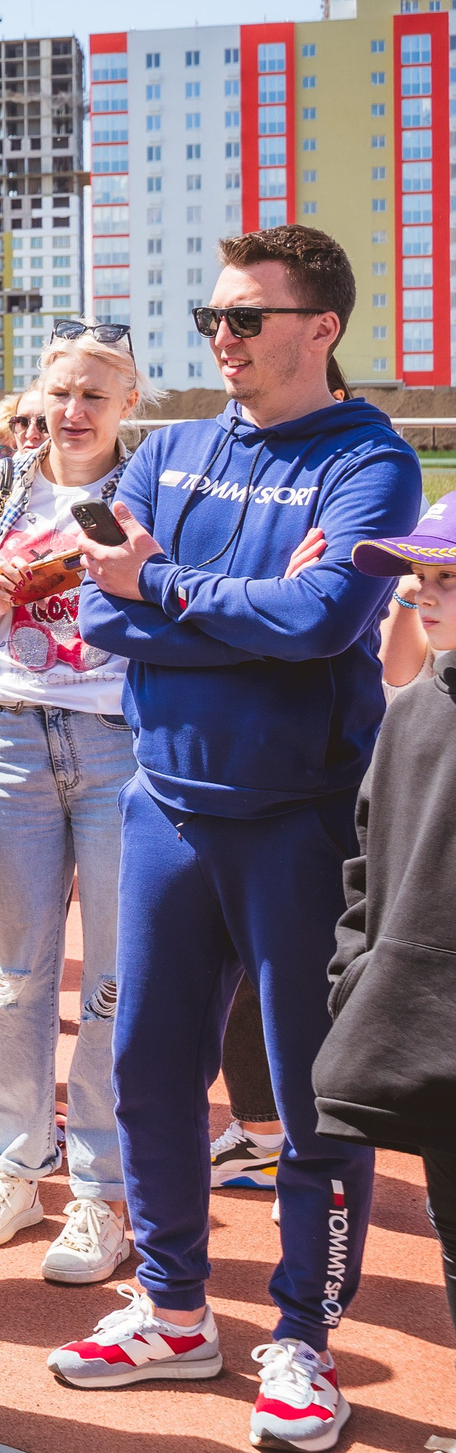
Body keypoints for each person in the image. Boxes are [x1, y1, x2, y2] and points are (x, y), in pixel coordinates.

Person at [50, 226, 421, 1453]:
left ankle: (303, 1341)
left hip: (302, 819)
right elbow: (105, 619)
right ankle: (169, 1311)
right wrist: (201, 603)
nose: (222, 336)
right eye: (212, 316)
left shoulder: (369, 460)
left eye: (246, 317)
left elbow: (322, 622)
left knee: (315, 1105)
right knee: (147, 1072)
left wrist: (162, 584)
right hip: (163, 803)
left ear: (318, 328)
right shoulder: (175, 447)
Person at [0, 326, 147, 1285]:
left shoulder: (153, 485)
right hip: (8, 734)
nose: (75, 410)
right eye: (61, 391)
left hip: (121, 744)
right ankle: (16, 1163)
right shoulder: (1, 487)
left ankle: (101, 1187)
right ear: (39, 397)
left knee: (117, 978)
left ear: (129, 403)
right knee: (10, 973)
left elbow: (180, 603)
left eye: (96, 392)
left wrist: (132, 581)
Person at [322, 494, 456, 1400]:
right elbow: (368, 863)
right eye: (417, 578)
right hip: (423, 1036)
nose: (422, 596)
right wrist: (357, 979)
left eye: (446, 578)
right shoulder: (415, 708)